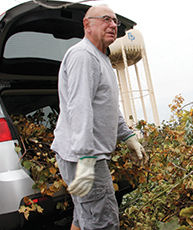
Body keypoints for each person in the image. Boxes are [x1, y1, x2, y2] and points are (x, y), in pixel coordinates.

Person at [51, 4, 148, 230]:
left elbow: (109, 107)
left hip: (88, 155)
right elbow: (79, 108)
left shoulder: (102, 58)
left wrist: (127, 136)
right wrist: (85, 159)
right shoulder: (83, 56)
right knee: (102, 221)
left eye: (115, 21)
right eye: (106, 19)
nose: (113, 25)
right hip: (85, 157)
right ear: (87, 24)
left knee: (83, 217)